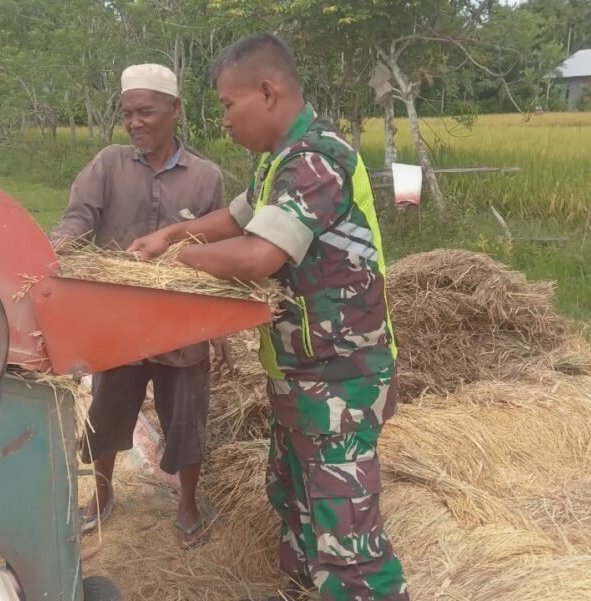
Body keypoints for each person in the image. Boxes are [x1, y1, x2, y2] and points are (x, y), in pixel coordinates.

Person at [128, 35, 409, 600]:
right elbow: (235, 221)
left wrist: (179, 259)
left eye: (230, 106)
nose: (225, 121)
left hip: (340, 380)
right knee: (296, 505)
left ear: (267, 91)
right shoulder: (276, 162)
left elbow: (259, 254)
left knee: (347, 547)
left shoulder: (316, 160)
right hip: (303, 374)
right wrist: (168, 233)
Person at [49, 63, 231, 549]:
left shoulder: (206, 177)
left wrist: (220, 328)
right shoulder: (108, 164)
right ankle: (103, 495)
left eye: (146, 112)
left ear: (175, 110)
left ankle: (187, 504)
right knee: (107, 414)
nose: (135, 123)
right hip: (119, 326)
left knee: (187, 419)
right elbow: (78, 219)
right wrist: (60, 248)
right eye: (128, 113)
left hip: (181, 327)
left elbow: (216, 253)